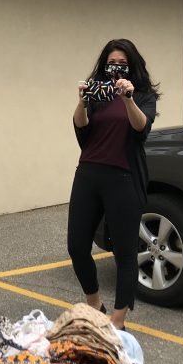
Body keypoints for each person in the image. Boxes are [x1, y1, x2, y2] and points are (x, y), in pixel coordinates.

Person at [68, 39, 159, 331]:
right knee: (77, 245)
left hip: (123, 179)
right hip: (89, 173)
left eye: (122, 63)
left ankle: (118, 319)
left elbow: (141, 128)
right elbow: (80, 125)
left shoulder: (142, 95)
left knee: (124, 252)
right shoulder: (98, 91)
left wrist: (128, 98)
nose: (116, 68)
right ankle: (94, 302)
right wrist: (83, 100)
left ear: (131, 66)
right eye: (112, 63)